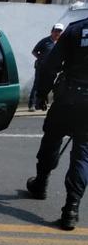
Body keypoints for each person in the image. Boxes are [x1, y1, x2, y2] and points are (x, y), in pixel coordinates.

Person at [26, 17, 88, 231]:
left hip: (68, 97)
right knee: (83, 154)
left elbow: (51, 64)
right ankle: (71, 209)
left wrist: (42, 93)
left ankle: (40, 183)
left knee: (52, 138)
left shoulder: (76, 29)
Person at [28, 23, 64, 111]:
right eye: (56, 31)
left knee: (48, 86)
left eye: (59, 32)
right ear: (52, 31)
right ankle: (31, 104)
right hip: (41, 68)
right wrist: (42, 59)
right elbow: (34, 51)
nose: (57, 33)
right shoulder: (45, 41)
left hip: (53, 68)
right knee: (37, 85)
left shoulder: (61, 42)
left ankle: (41, 103)